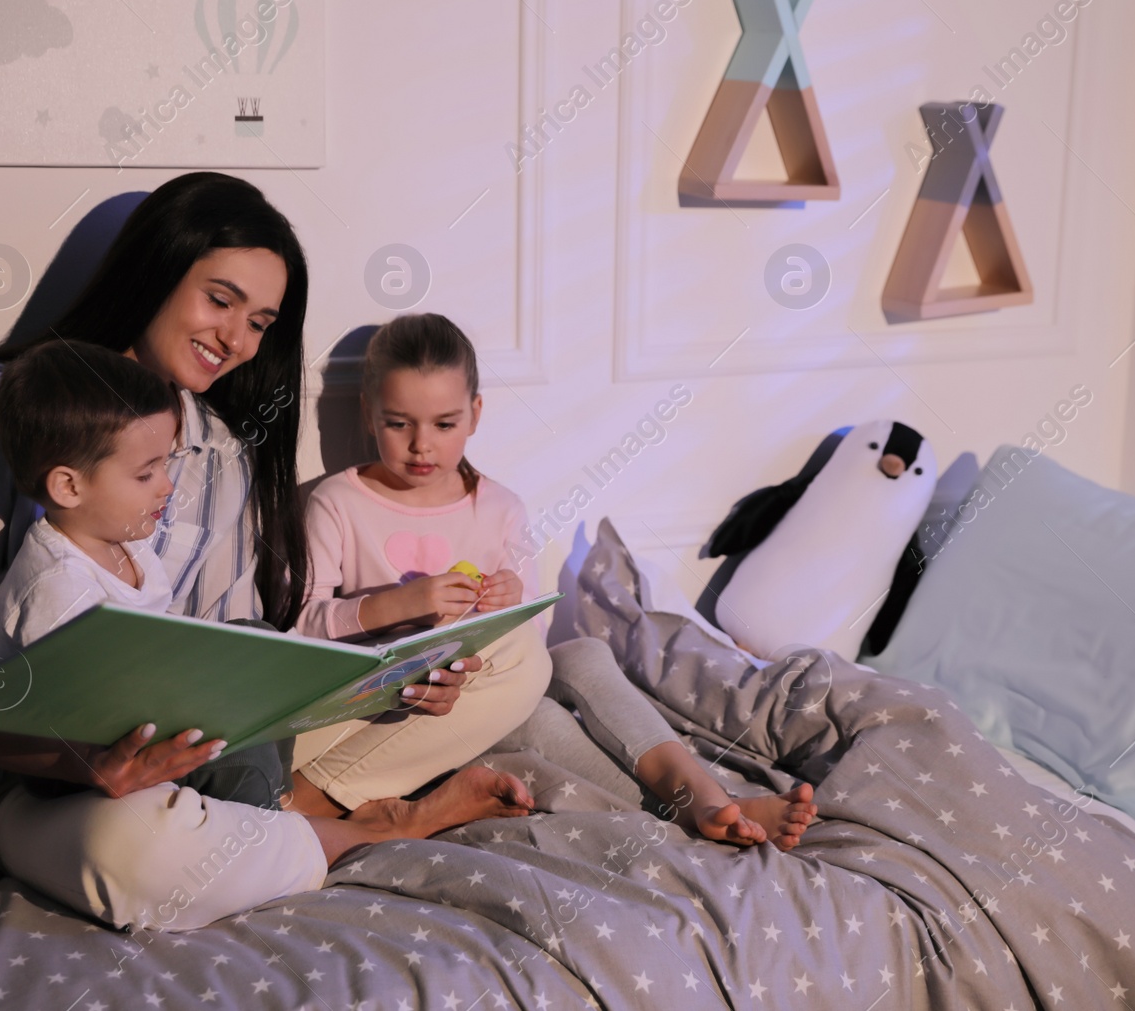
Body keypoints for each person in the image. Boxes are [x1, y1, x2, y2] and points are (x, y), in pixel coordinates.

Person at [0, 173, 532, 932]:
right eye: (220, 300)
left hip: (191, 755)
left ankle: (288, 818)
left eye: (260, 320)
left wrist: (400, 684)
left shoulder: (221, 452)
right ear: (156, 273)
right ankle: (357, 827)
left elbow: (235, 670)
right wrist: (85, 765)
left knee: (520, 654)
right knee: (132, 849)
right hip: (24, 782)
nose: (237, 339)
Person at [292, 313, 818, 848]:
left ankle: (699, 792)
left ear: (475, 414)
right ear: (368, 413)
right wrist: (399, 604)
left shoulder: (499, 509)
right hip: (389, 709)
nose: (421, 445)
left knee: (582, 653)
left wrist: (508, 605)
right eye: (399, 423)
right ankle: (699, 805)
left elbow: (533, 646)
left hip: (479, 692)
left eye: (444, 424)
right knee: (540, 721)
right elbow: (300, 629)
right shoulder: (337, 503)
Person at [0, 338, 287, 810]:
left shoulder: (126, 540)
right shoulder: (57, 585)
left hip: (137, 712)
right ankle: (261, 824)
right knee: (235, 751)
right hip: (83, 764)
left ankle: (266, 803)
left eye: (165, 464)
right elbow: (71, 712)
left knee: (263, 648)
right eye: (146, 474)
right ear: (69, 486)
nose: (168, 485)